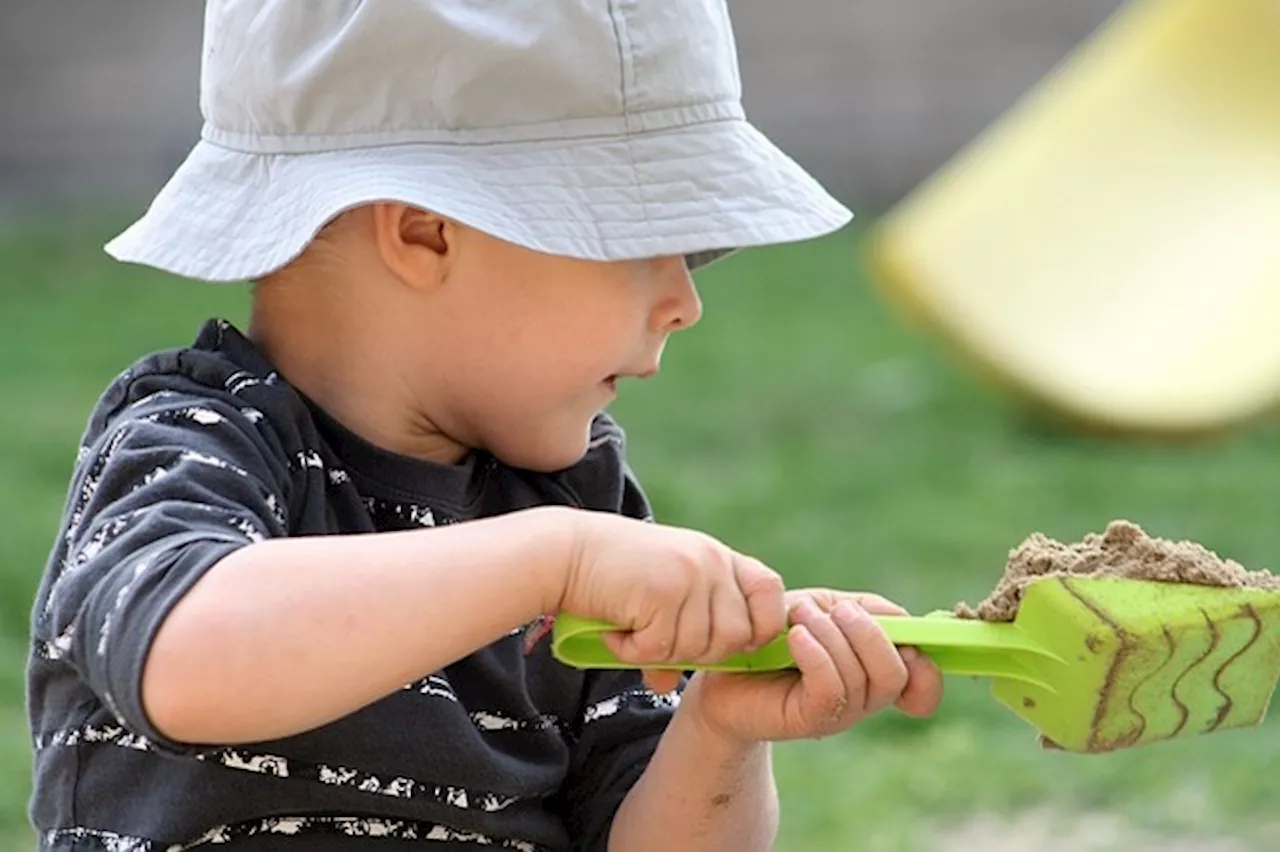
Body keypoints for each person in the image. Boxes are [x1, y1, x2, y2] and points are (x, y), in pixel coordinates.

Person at [26, 1, 943, 850]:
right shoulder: (198, 439)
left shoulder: (578, 505)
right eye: (643, 241)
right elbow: (187, 662)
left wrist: (718, 729)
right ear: (426, 232)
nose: (685, 301)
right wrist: (550, 561)